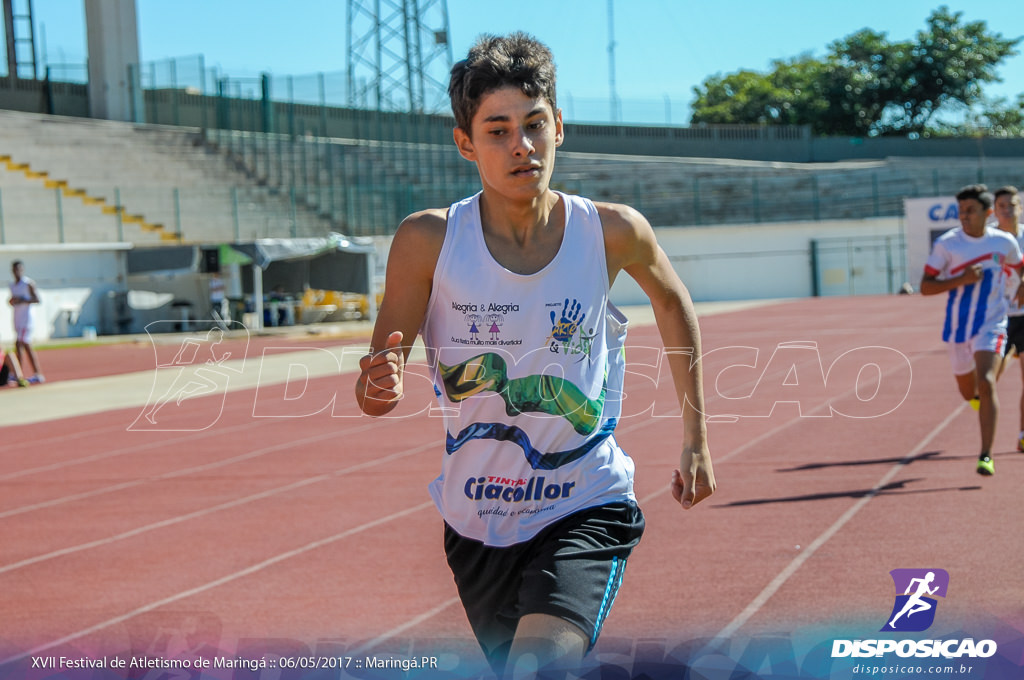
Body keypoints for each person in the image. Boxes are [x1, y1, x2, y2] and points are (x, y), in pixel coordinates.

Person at [354, 32, 715, 679]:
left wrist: (696, 440)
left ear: (559, 128)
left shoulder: (611, 231)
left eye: (534, 125)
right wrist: (376, 386)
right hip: (476, 520)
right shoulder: (428, 241)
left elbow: (674, 302)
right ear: (466, 143)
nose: (521, 145)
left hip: (584, 500)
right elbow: (376, 382)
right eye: (498, 130)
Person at [920, 184, 1024, 476]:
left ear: (987, 212)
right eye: (961, 211)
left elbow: (1020, 266)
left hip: (993, 323)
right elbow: (925, 287)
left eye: (970, 211)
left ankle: (986, 455)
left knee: (987, 381)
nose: (964, 216)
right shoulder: (947, 245)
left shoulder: (1004, 242)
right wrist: (961, 279)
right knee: (969, 393)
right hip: (957, 329)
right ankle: (980, 405)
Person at [991, 186, 1024, 450]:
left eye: (1011, 204)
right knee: (990, 379)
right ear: (995, 209)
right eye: (1002, 205)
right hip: (997, 316)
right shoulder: (989, 239)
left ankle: (1023, 434)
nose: (1007, 210)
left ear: (1018, 207)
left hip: (1023, 316)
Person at [8, 260, 44, 383]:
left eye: (19, 269)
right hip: (17, 318)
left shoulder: (28, 283)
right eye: (14, 270)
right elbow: (12, 301)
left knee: (21, 344)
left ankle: (23, 374)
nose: (17, 272)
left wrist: (23, 299)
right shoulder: (13, 285)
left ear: (22, 270)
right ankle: (21, 373)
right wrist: (12, 301)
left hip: (27, 319)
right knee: (22, 346)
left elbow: (37, 299)